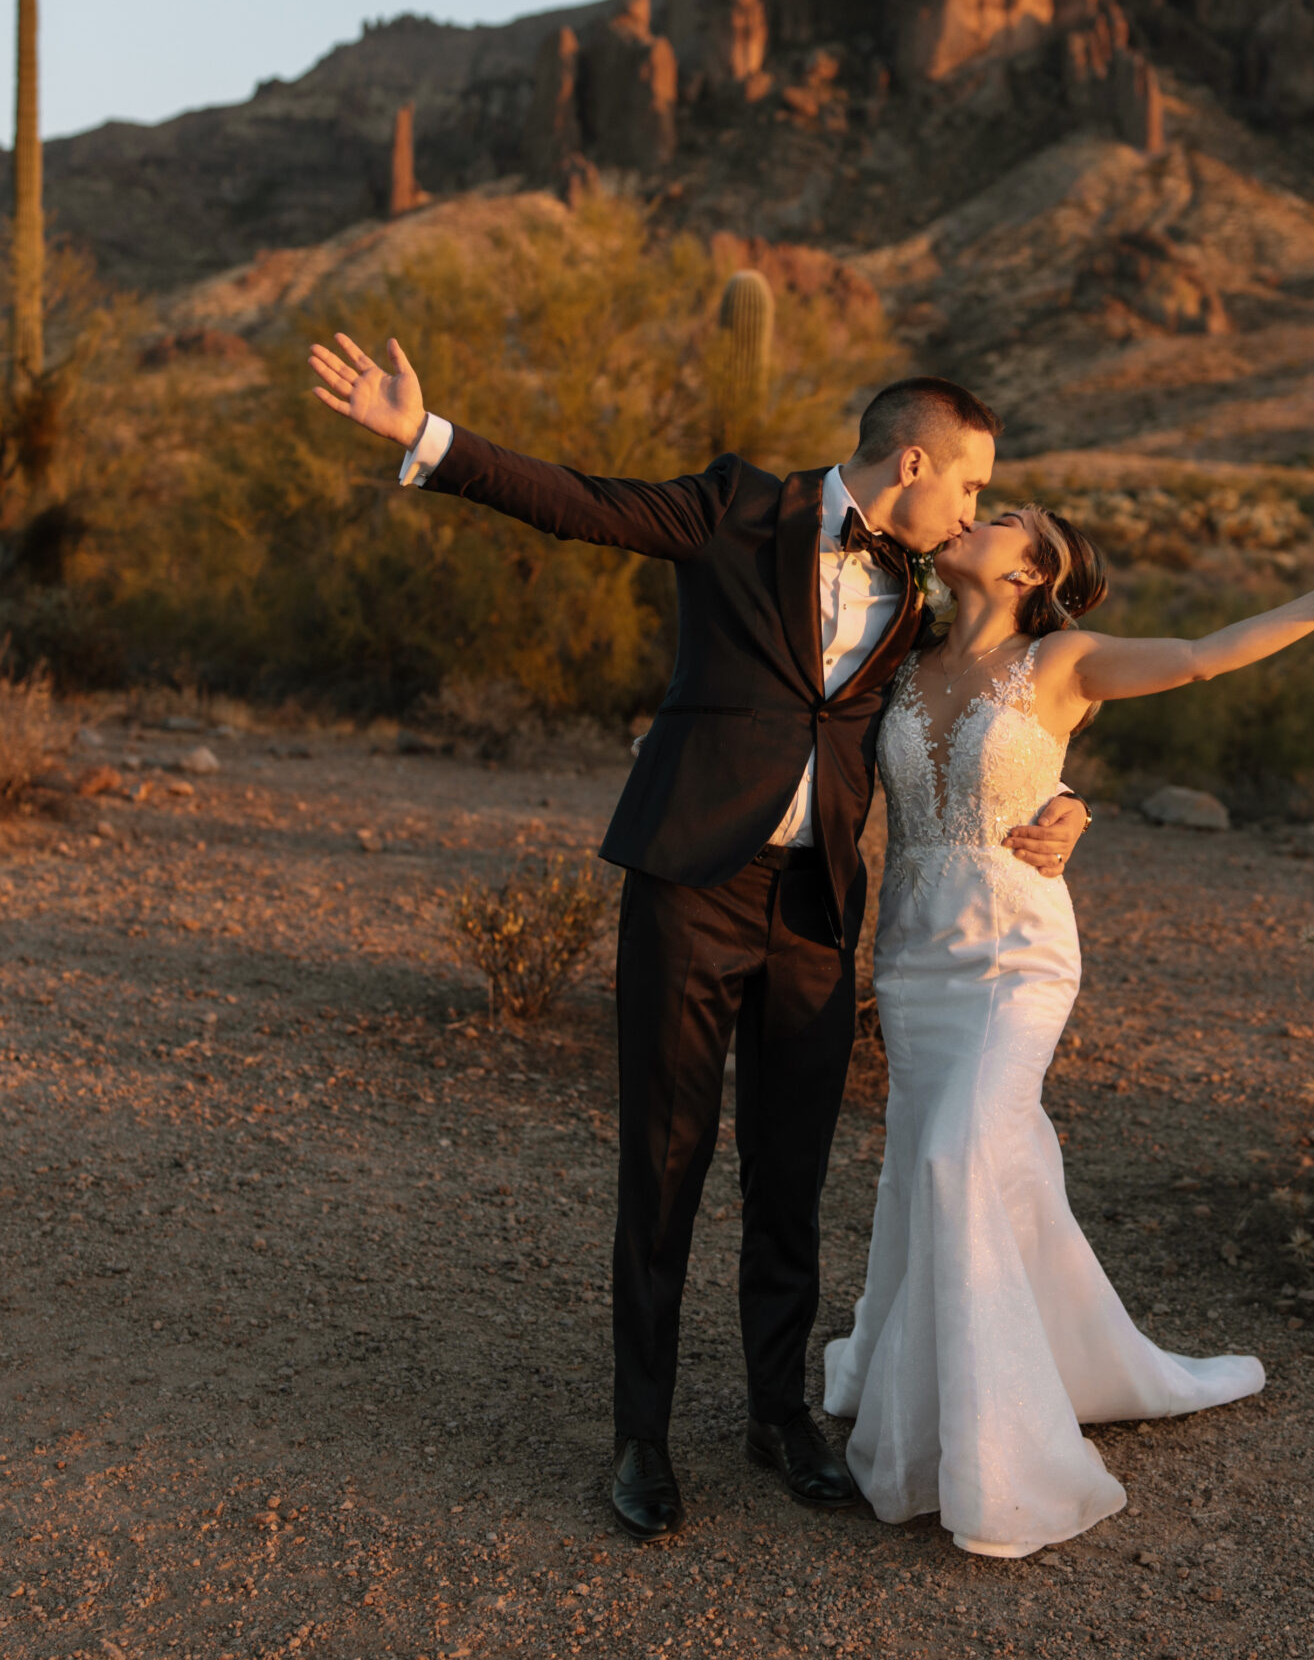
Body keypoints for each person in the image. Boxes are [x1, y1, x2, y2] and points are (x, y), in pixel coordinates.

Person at [305, 333, 1084, 1541]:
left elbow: (1004, 706)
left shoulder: (927, 596)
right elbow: (583, 504)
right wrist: (427, 436)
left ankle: (779, 1418)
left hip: (815, 908)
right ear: (915, 459)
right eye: (972, 484)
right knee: (663, 1163)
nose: (976, 505)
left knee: (790, 1173)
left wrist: (1068, 804)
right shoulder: (736, 508)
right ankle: (641, 1434)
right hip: (687, 885)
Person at [824, 503, 1314, 1558]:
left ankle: (1003, 1453)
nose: (976, 517)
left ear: (1031, 569)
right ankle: (977, 1372)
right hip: (910, 958)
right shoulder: (896, 647)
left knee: (960, 1153)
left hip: (1014, 957)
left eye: (1003, 518)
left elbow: (1201, 654)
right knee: (936, 1160)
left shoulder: (1066, 659)